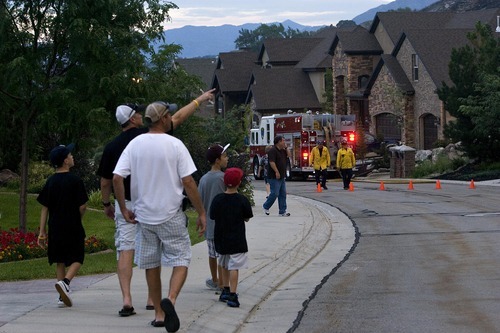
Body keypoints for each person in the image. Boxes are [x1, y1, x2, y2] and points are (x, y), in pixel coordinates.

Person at [97, 90, 214, 316]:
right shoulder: (174, 144)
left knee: (147, 261)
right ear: (163, 119)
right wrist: (201, 212)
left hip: (142, 215)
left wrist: (120, 207)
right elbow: (188, 181)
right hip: (170, 214)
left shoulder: (131, 145)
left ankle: (157, 313)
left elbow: (115, 178)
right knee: (181, 258)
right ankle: (168, 298)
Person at [37, 143, 88, 308]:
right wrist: (78, 217)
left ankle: (61, 296)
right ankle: (66, 283)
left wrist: (42, 232)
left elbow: (45, 207)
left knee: (59, 259)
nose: (72, 157)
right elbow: (83, 206)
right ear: (66, 161)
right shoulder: (75, 180)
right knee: (78, 256)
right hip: (72, 225)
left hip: (55, 226)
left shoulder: (50, 181)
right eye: (70, 155)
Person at [209, 167, 253, 308]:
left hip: (221, 238)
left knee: (223, 263)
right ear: (239, 183)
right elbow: (247, 217)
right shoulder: (242, 200)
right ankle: (233, 295)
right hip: (237, 239)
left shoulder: (218, 199)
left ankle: (225, 290)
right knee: (235, 266)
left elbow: (212, 216)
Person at [198, 143, 230, 293]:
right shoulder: (223, 179)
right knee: (222, 254)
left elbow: (200, 201)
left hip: (209, 224)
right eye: (224, 156)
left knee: (212, 254)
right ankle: (223, 284)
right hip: (222, 224)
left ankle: (215, 280)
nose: (227, 158)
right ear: (217, 160)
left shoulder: (204, 179)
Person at [262, 135, 290, 217]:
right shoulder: (272, 150)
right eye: (283, 141)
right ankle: (266, 206)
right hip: (274, 176)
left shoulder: (282, 150)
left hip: (282, 175)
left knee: (283, 193)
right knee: (275, 193)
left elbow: (289, 155)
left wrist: (286, 148)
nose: (284, 142)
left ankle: (282, 211)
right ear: (279, 142)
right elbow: (272, 162)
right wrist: (276, 172)